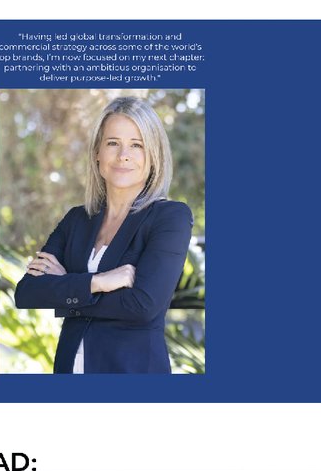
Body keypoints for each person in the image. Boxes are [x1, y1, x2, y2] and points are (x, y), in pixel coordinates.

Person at [13, 95, 195, 374]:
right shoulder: (77, 219)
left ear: (154, 155)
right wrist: (98, 282)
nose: (123, 155)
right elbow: (27, 292)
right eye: (113, 143)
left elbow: (143, 305)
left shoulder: (170, 217)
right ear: (97, 151)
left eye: (137, 145)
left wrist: (68, 288)